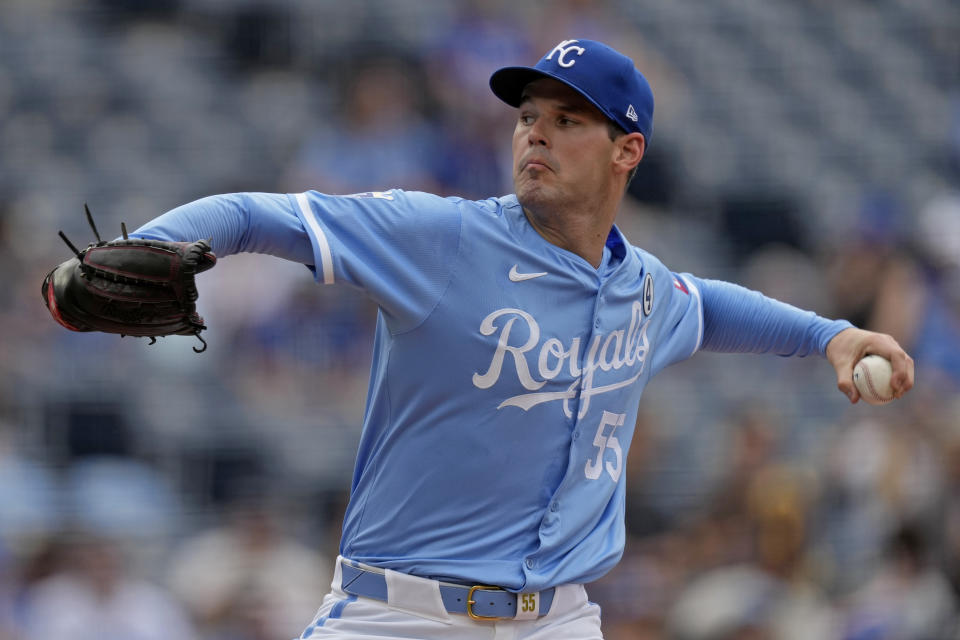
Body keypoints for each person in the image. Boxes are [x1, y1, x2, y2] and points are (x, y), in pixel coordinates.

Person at [118, 39, 914, 638]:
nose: (535, 134)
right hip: (400, 615)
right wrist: (146, 247)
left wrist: (831, 337)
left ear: (626, 151)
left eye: (568, 121)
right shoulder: (441, 237)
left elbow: (709, 307)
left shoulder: (643, 290)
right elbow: (263, 215)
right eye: (528, 116)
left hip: (557, 619)